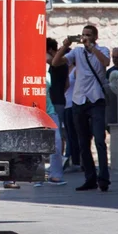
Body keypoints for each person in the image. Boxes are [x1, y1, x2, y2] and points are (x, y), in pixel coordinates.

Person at [51, 25, 110, 192]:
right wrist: (65, 45)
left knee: (99, 140)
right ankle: (90, 178)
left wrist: (91, 47)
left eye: (89, 35)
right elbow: (56, 63)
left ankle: (104, 178)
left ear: (95, 37)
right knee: (83, 142)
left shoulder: (103, 50)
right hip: (79, 101)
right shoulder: (77, 53)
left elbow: (105, 62)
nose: (85, 37)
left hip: (96, 99)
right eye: (83, 35)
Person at [39, 45, 66, 186]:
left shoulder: (46, 69)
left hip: (49, 110)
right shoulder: (27, 70)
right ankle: (38, 174)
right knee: (36, 144)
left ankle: (55, 174)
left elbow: (50, 59)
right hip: (35, 111)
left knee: (56, 142)